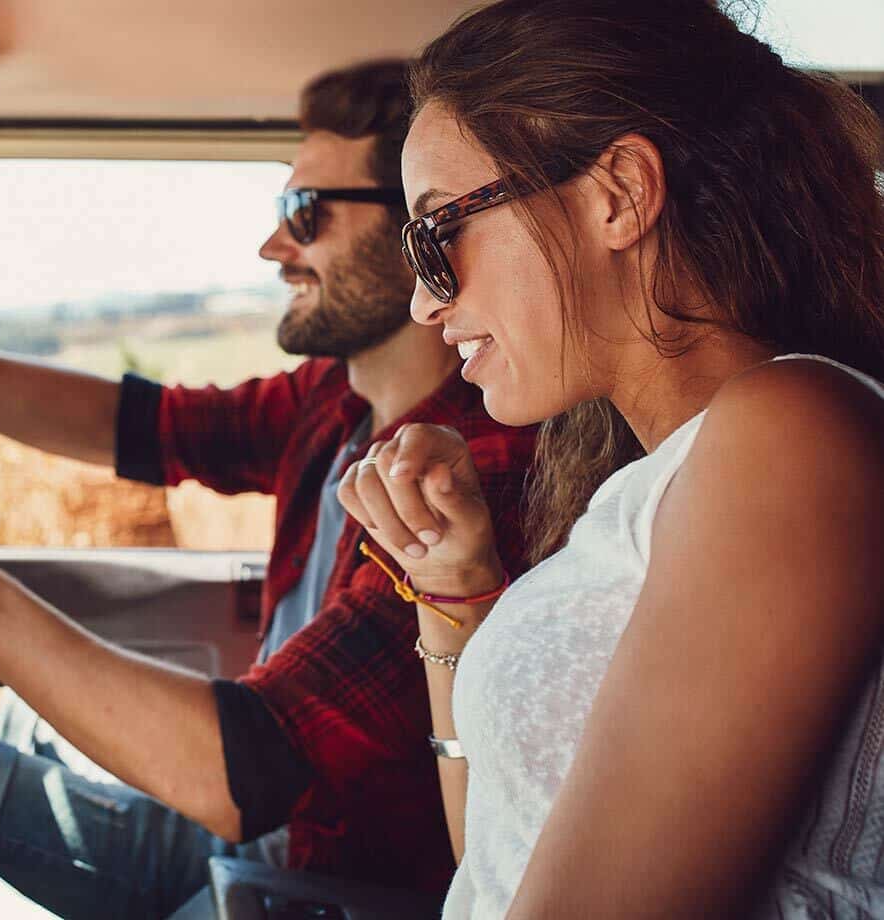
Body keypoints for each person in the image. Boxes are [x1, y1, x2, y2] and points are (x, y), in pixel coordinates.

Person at [0, 61, 536, 919]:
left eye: (303, 214)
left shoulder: (461, 472)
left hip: (305, 873)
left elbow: (248, 775)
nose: (275, 247)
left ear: (413, 226)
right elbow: (129, 424)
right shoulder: (333, 404)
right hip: (249, 817)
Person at [335, 0, 884, 916]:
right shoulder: (662, 479)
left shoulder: (790, 433)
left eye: (439, 234)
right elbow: (502, 856)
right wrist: (457, 590)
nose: (427, 307)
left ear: (619, 193)